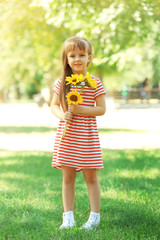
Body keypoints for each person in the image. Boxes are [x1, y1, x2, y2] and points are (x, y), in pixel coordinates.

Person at [51, 36, 106, 230]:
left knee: (91, 177)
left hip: (87, 137)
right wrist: (61, 115)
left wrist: (83, 110)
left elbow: (101, 109)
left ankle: (94, 218)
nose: (77, 59)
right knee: (68, 178)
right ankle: (68, 218)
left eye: (82, 55)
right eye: (72, 55)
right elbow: (54, 105)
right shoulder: (62, 83)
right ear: (66, 59)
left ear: (89, 58)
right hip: (68, 136)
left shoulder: (94, 83)